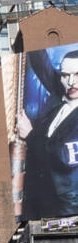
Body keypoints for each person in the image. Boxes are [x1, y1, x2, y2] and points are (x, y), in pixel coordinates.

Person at [17, 48, 78, 219]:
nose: (71, 81)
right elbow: (41, 65)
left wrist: (30, 135)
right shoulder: (57, 108)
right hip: (41, 212)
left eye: (77, 74)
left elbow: (61, 157)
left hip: (66, 215)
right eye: (65, 75)